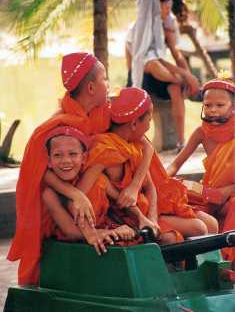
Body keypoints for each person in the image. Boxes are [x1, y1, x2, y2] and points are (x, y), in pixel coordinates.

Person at [7, 52, 153, 285]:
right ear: (92, 88)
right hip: (66, 203)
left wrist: (135, 187)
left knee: (115, 158)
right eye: (105, 79)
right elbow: (39, 173)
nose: (109, 84)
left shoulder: (102, 114)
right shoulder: (53, 127)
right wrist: (75, 193)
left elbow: (144, 142)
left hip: (106, 196)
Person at [84, 88, 217, 241]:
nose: (149, 126)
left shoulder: (133, 142)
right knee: (199, 228)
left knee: (211, 224)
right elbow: (121, 202)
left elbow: (150, 185)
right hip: (132, 216)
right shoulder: (109, 152)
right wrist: (146, 218)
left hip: (156, 204)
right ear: (134, 124)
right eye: (149, 120)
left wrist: (152, 215)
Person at [167, 77, 235, 262]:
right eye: (208, 105)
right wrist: (160, 181)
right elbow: (175, 164)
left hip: (230, 193)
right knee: (181, 192)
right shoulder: (201, 132)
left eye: (220, 105)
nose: (213, 109)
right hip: (209, 192)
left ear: (233, 107)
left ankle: (229, 258)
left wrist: (226, 191)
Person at [42, 126, 135, 257]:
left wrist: (142, 220)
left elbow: (121, 201)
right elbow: (70, 231)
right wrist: (101, 232)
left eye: (73, 154)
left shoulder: (95, 178)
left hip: (103, 230)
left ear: (84, 158)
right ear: (49, 161)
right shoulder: (49, 193)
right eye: (57, 155)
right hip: (72, 247)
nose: (66, 161)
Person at [125, 0, 200, 151]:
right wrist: (186, 77)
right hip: (141, 75)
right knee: (152, 64)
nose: (168, 11)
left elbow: (170, 56)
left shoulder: (163, 25)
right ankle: (184, 83)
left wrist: (186, 75)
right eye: (165, 8)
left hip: (160, 73)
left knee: (175, 89)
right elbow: (138, 61)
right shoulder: (136, 29)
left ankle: (181, 142)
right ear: (154, 7)